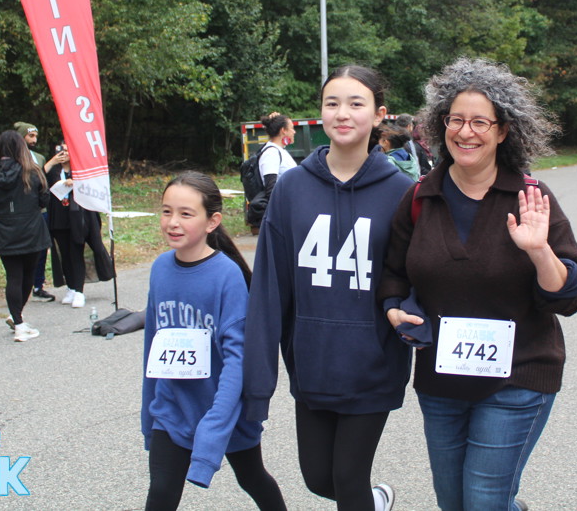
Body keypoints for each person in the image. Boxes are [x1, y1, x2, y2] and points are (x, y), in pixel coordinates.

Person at [378, 58, 577, 511]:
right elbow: (393, 273)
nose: (466, 132)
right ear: (441, 125)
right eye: (456, 120)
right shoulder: (420, 197)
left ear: (503, 131)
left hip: (518, 377)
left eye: (480, 122)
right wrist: (394, 307)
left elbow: (571, 295)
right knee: (453, 502)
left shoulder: (531, 197)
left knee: (483, 502)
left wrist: (539, 250)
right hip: (441, 382)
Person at [243, 65, 413, 511]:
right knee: (318, 477)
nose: (343, 113)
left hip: (372, 364)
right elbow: (269, 288)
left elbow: (416, 274)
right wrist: (257, 381)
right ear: (319, 112)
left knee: (348, 479)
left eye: (356, 103)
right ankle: (376, 501)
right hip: (313, 363)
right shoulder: (292, 188)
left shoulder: (402, 192)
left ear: (379, 114)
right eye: (332, 103)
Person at [142, 172, 286, 511]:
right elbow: (152, 346)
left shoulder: (226, 276)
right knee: (161, 493)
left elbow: (237, 360)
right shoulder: (160, 269)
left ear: (212, 221)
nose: (173, 222)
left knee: (252, 478)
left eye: (186, 214)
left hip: (224, 409)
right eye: (166, 211)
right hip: (171, 410)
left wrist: (215, 424)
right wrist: (149, 416)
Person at [0, 131, 50, 342]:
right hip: (31, 229)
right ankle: (18, 320)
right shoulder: (32, 172)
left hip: (3, 230)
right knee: (28, 275)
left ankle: (17, 319)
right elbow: (44, 199)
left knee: (13, 277)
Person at [46, 142, 114, 308]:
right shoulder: (54, 170)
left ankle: (79, 290)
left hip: (78, 216)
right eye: (60, 151)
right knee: (64, 254)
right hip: (59, 217)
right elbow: (37, 179)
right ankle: (70, 287)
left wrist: (75, 183)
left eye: (67, 150)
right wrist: (52, 162)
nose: (63, 154)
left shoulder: (81, 169)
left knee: (76, 252)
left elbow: (92, 186)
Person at [14, 121, 62, 302]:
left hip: (41, 210)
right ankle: (19, 284)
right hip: (21, 212)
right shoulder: (11, 158)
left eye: (36, 136)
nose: (34, 140)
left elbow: (43, 181)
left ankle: (37, 285)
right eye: (30, 136)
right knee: (21, 249)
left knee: (41, 248)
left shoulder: (39, 158)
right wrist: (51, 163)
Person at [249, 113, 297, 234]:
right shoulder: (271, 153)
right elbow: (271, 188)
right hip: (282, 215)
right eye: (292, 128)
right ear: (283, 130)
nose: (294, 132)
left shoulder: (280, 150)